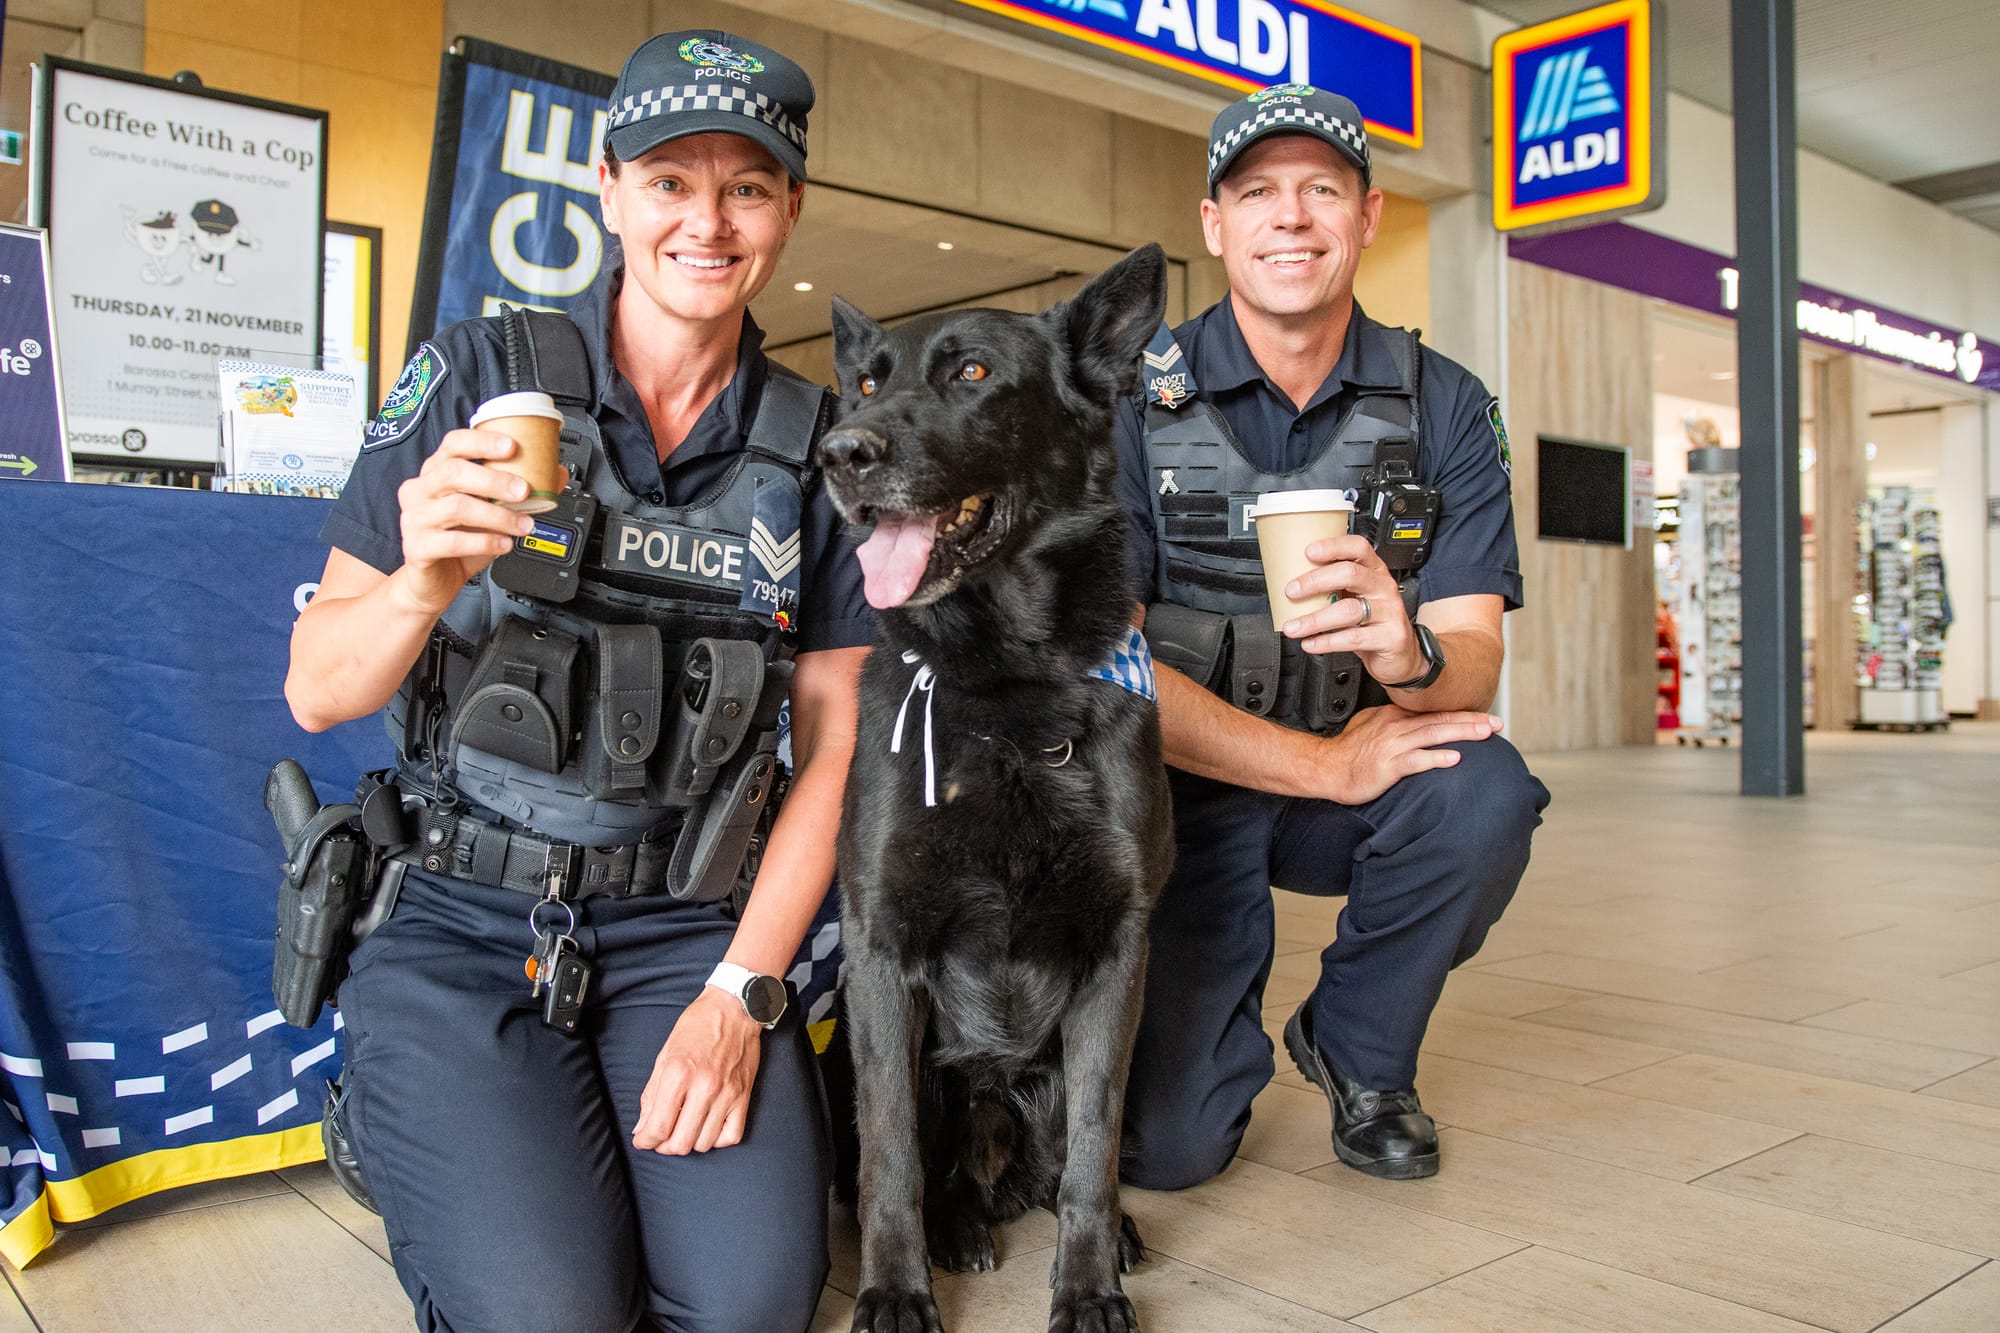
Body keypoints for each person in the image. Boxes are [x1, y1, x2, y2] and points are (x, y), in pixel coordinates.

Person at [284, 31, 869, 1332]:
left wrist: (742, 993)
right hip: (458, 922)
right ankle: (409, 1112)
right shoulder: (476, 376)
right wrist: (424, 581)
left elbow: (838, 748)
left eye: (747, 186)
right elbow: (318, 688)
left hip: (681, 931)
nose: (705, 221)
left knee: (751, 1307)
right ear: (607, 191)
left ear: (790, 209)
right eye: (670, 182)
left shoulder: (816, 448)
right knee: (556, 1314)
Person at [1114, 85, 1551, 1187]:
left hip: (1347, 778)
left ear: (1365, 215)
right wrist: (1322, 762)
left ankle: (1356, 1047)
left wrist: (1406, 658)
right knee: (1167, 1153)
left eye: (1321, 190)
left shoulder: (1441, 403)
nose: (1290, 218)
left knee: (1480, 785)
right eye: (1256, 192)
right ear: (1213, 225)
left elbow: (1476, 659)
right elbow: (1105, 666)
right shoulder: (1127, 398)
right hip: (1177, 794)